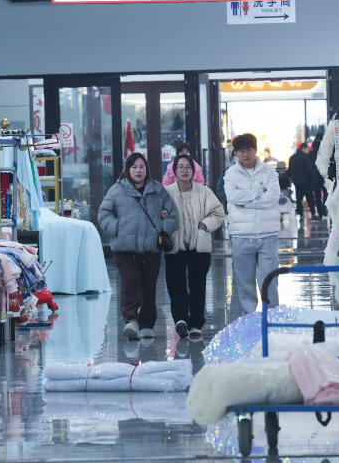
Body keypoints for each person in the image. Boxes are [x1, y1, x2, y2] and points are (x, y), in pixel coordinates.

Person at [98, 152, 178, 341]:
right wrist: (116, 227)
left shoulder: (157, 189)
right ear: (128, 170)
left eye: (141, 166)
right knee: (131, 284)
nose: (138, 170)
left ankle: (147, 323)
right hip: (125, 249)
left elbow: (173, 214)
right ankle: (131, 320)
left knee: (150, 286)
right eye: (134, 167)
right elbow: (103, 213)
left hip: (151, 248)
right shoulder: (117, 190)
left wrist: (162, 228)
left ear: (146, 169)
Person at [164, 153, 225, 339]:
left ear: (194, 171)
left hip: (199, 247)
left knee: (198, 285)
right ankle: (181, 319)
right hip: (175, 246)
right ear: (174, 171)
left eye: (188, 167)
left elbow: (218, 213)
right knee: (176, 285)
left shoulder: (204, 192)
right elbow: (157, 213)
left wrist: (204, 225)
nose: (184, 170)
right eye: (180, 167)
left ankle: (197, 323)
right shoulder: (166, 192)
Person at [224, 133, 282, 314]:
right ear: (235, 153)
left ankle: (271, 317)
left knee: (269, 279)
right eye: (240, 151)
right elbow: (232, 197)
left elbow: (272, 198)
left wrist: (247, 201)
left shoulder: (269, 172)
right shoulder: (230, 174)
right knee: (244, 282)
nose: (245, 154)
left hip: (267, 234)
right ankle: (248, 319)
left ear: (255, 150)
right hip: (241, 234)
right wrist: (259, 191)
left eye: (248, 149)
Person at [287, 141, 326, 218]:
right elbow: (310, 170)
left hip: (297, 183)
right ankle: (313, 213)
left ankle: (300, 214)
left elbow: (290, 170)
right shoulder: (305, 157)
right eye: (307, 149)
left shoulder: (292, 158)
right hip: (307, 182)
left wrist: (292, 179)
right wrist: (313, 179)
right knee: (310, 198)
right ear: (303, 149)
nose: (308, 151)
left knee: (299, 199)